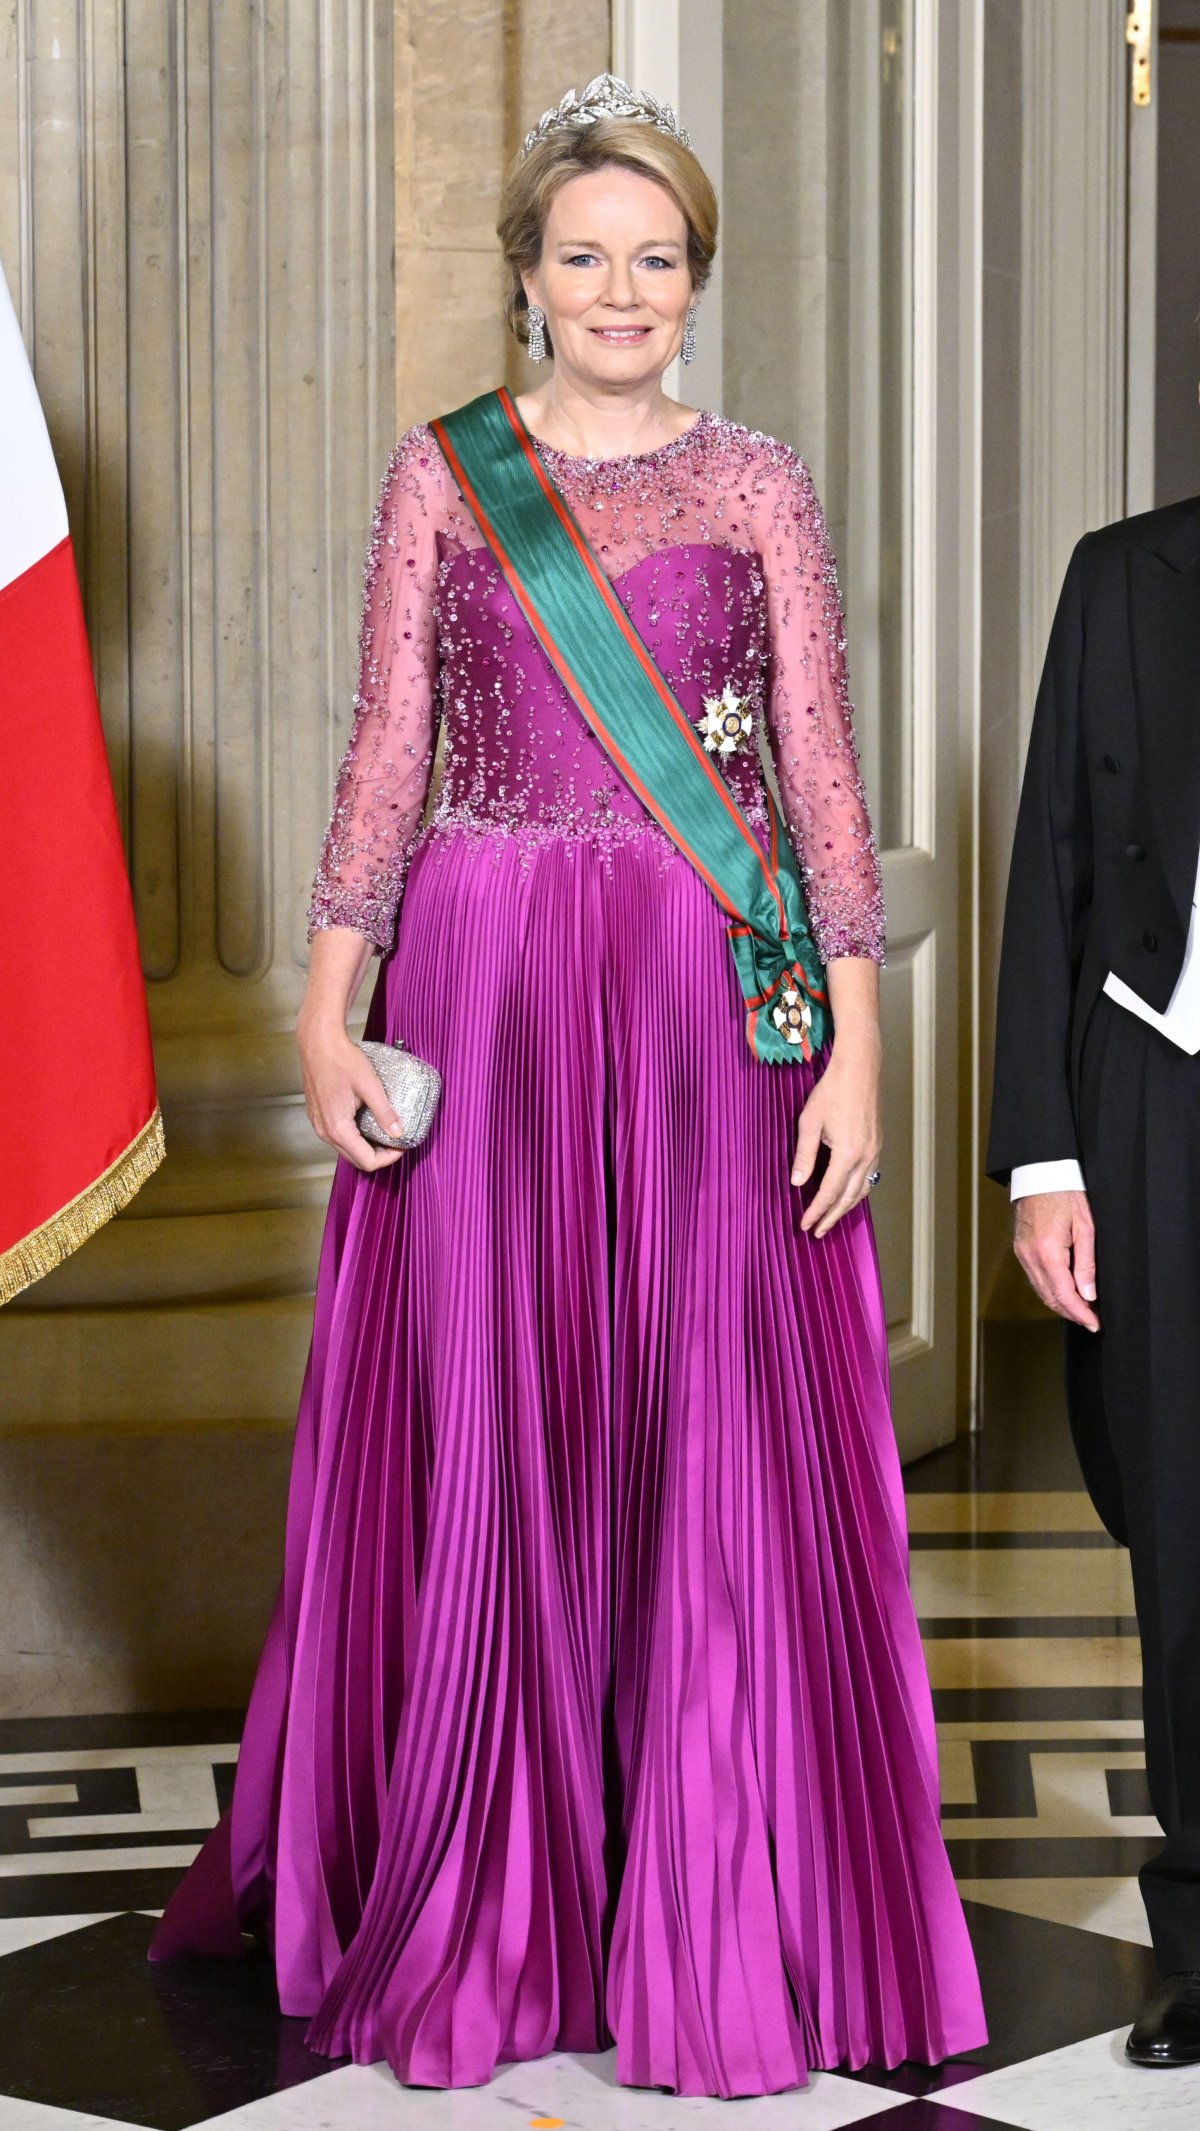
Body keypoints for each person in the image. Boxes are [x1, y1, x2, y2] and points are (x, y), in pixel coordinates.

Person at [151, 73, 985, 2098]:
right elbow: (381, 758)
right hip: (495, 983)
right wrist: (325, 1011)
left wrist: (861, 1059)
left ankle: (705, 1888)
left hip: (711, 1007)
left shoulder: (762, 484)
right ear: (527, 278)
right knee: (501, 1414)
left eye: (658, 259)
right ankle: (501, 1886)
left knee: (702, 1404)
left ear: (699, 279)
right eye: (585, 258)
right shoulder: (448, 473)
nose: (622, 290)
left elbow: (822, 791)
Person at [989, 483, 1200, 2068]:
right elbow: (1049, 862)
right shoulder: (1126, 576)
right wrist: (1046, 1159)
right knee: (1183, 1527)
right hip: (1158, 1092)